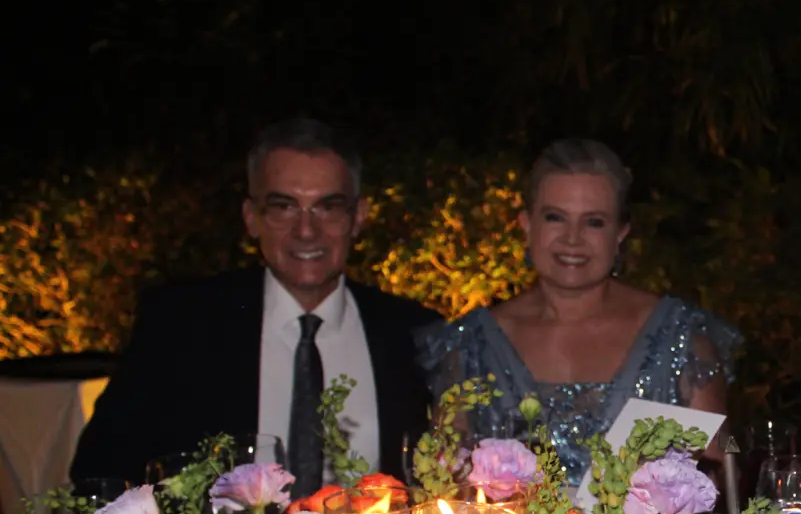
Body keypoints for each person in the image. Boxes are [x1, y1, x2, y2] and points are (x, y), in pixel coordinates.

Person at [71, 118, 442, 491]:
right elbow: (100, 472)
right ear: (251, 218)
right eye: (284, 207)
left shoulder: (414, 336)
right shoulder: (180, 325)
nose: (306, 231)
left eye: (327, 207)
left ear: (358, 217)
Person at [416, 139, 741, 487]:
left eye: (594, 222)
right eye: (555, 218)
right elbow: (441, 483)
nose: (572, 239)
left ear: (620, 234)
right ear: (527, 224)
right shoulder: (469, 346)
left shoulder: (681, 335)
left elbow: (727, 464)